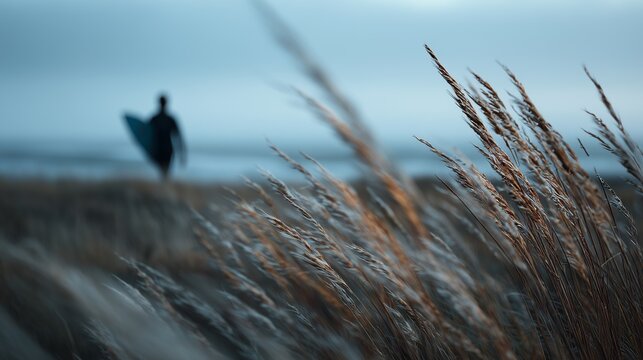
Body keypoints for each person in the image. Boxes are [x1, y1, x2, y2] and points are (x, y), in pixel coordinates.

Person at [148, 94, 186, 178]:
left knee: (162, 172)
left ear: (159, 103)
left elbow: (146, 135)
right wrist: (182, 154)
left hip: (159, 149)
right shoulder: (170, 119)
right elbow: (178, 137)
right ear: (167, 103)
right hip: (167, 149)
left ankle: (163, 187)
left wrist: (149, 150)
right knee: (165, 172)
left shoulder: (154, 119)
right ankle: (164, 187)